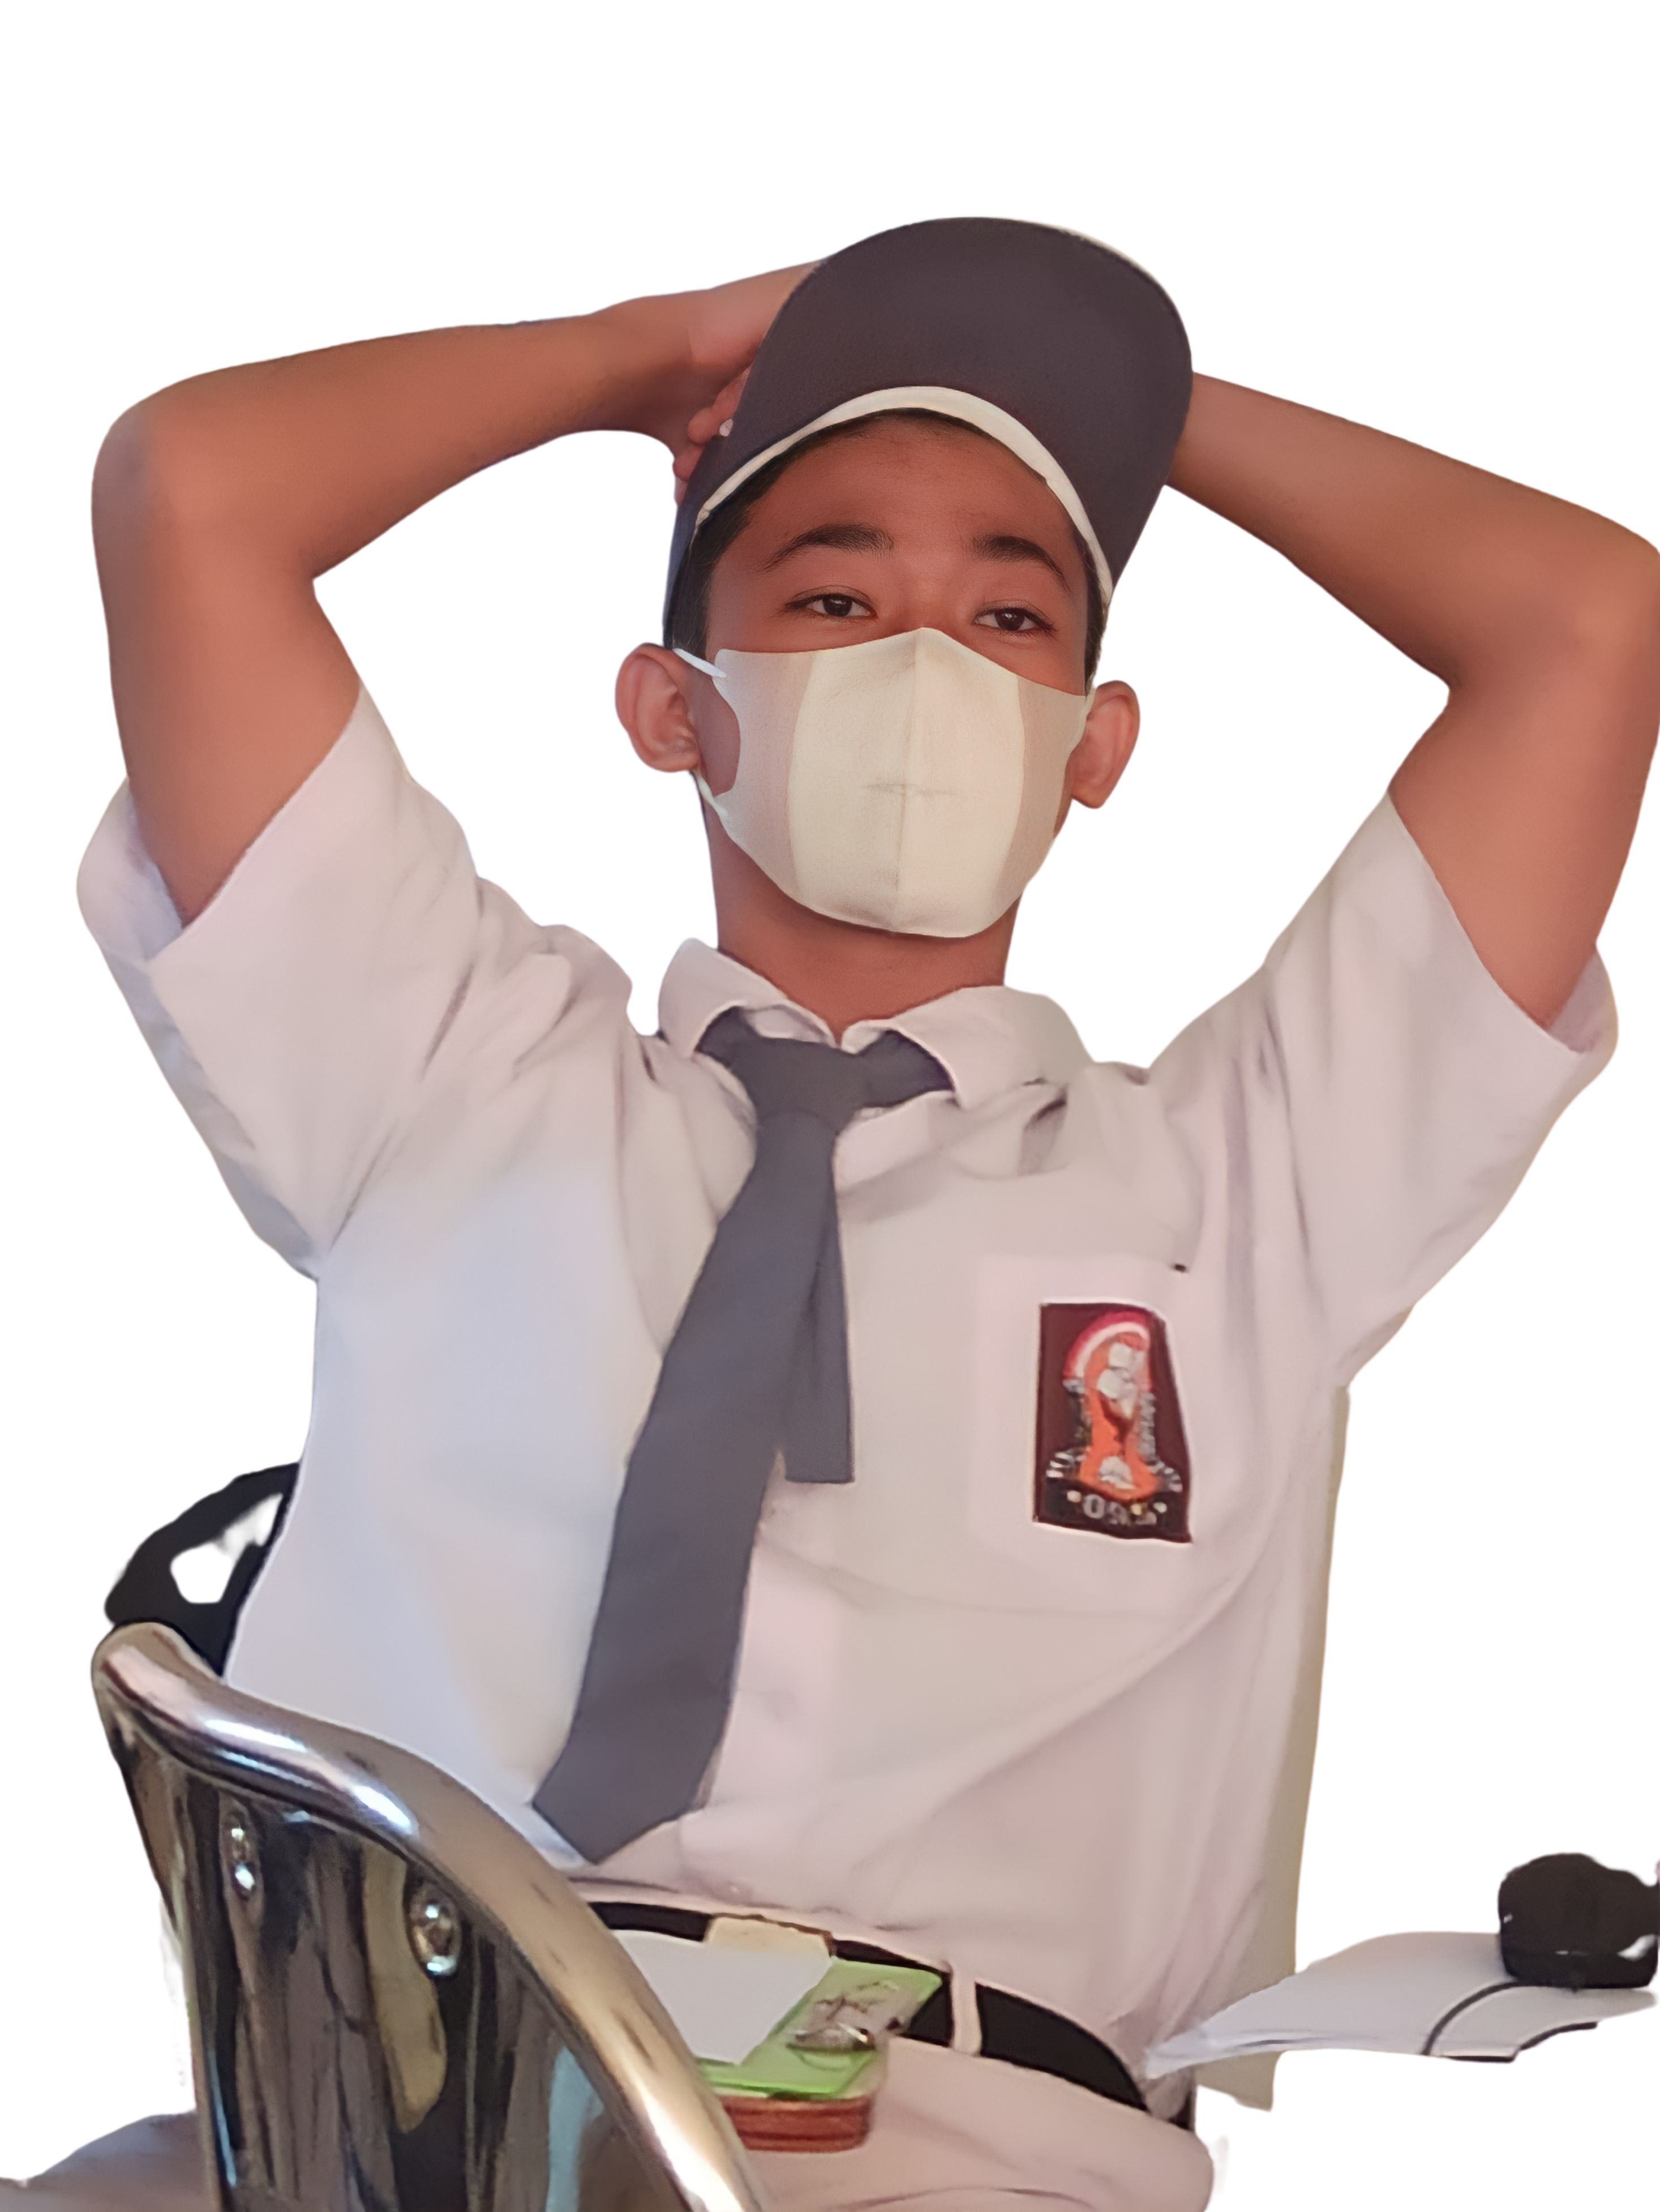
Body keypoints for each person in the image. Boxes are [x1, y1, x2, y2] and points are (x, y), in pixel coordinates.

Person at [78, 218, 1656, 2210]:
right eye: (834, 593)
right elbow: (191, 490)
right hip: (381, 2118)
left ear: (1096, 744)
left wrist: (1134, 410)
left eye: (1009, 615)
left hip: (983, 2150)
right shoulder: (446, 1062)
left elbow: (1583, 618)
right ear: (671, 707)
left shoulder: (1256, 1176)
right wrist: (656, 350)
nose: (927, 658)